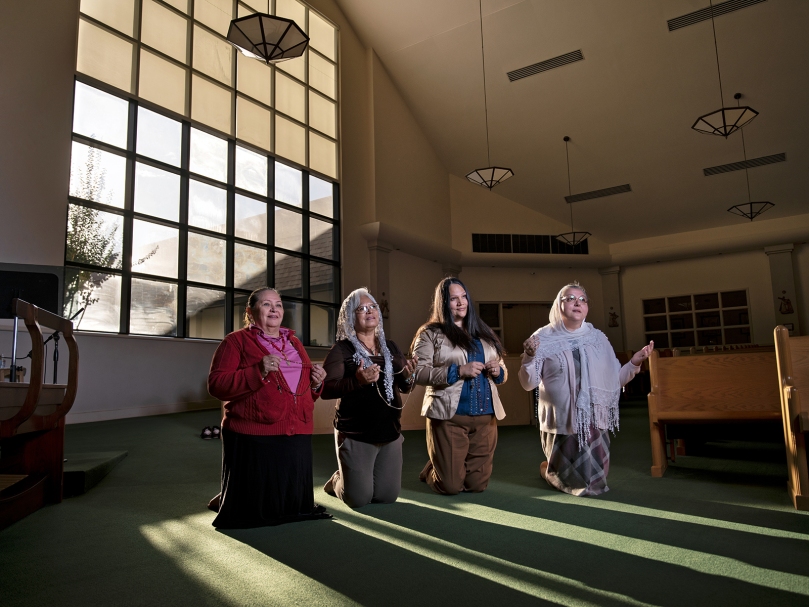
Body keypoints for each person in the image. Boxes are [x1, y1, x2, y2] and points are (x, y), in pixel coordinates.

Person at [207, 287, 330, 528]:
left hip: (298, 431)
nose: (274, 309)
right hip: (254, 432)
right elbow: (216, 385)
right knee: (254, 508)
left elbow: (299, 392)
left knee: (291, 506)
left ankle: (231, 497)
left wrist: (317, 384)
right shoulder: (235, 342)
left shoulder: (294, 342)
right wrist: (258, 371)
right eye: (266, 304)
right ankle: (231, 500)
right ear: (250, 312)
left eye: (278, 304)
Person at [519, 282, 653, 496]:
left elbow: (615, 380)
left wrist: (634, 363)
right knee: (567, 480)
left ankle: (549, 469)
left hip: (593, 417)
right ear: (558, 305)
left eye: (582, 299)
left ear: (587, 307)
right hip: (562, 418)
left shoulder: (598, 338)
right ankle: (548, 470)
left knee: (594, 484)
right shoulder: (542, 338)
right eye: (570, 298)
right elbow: (528, 383)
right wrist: (529, 357)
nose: (577, 303)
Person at [321, 288, 418, 507]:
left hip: (389, 430)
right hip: (356, 432)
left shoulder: (390, 347)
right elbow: (325, 389)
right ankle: (338, 479)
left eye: (373, 306)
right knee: (359, 499)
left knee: (386, 497)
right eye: (361, 308)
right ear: (350, 317)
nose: (369, 311)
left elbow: (403, 386)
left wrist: (408, 376)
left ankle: (355, 476)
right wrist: (358, 381)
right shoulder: (342, 349)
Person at [411, 277, 507, 495]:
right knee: (451, 487)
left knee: (477, 486)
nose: (461, 302)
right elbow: (418, 373)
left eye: (464, 297)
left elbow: (502, 369)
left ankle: (446, 465)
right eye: (454, 299)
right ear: (443, 303)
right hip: (448, 416)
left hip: (486, 416)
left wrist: (498, 371)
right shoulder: (430, 334)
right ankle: (435, 469)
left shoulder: (484, 333)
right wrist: (458, 371)